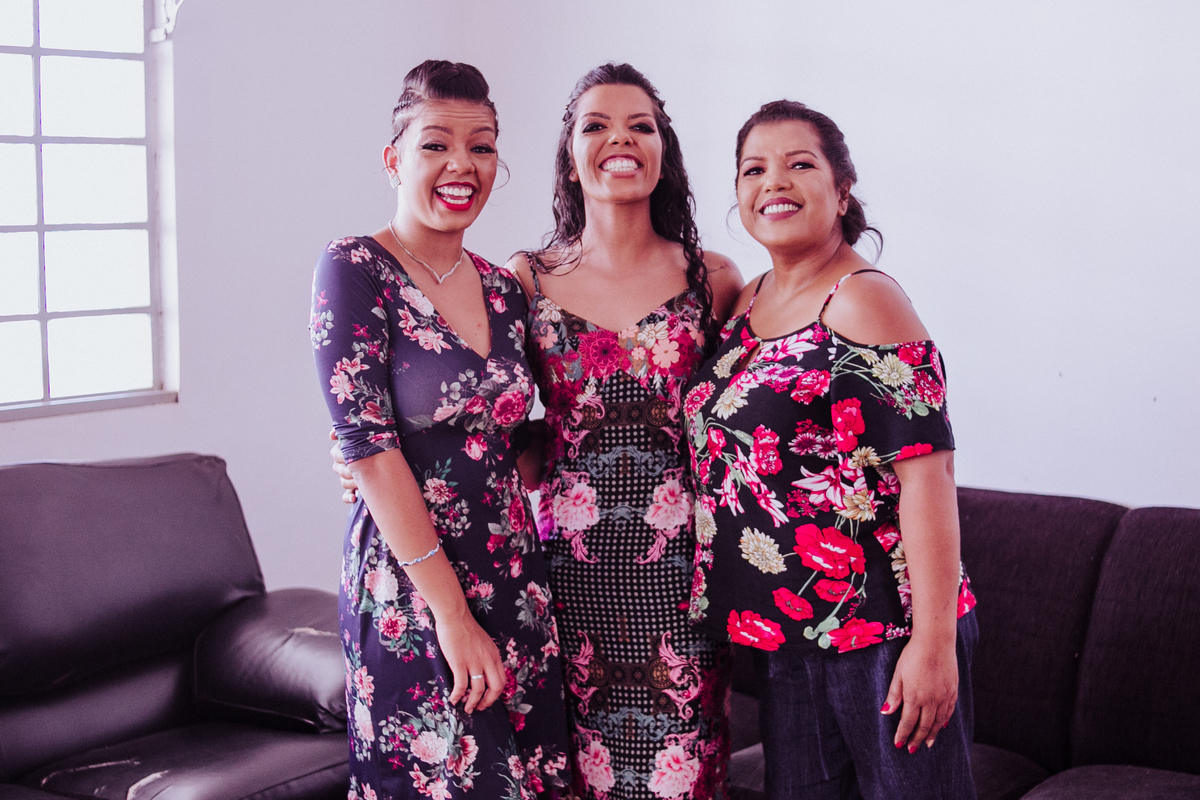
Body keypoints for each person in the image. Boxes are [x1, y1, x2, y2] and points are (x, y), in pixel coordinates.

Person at [682, 100, 978, 800]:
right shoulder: (746, 301)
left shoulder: (863, 300)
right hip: (787, 633)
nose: (773, 182)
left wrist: (932, 644)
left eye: (799, 164)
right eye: (753, 169)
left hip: (882, 632)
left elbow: (929, 476)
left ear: (842, 190)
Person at [309, 60, 569, 800]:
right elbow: (368, 445)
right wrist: (452, 618)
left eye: (481, 147)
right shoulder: (354, 268)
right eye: (436, 145)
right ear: (393, 159)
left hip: (516, 576)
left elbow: (511, 442)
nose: (463, 165)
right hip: (412, 588)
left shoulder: (504, 289)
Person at [508, 64, 743, 800]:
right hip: (571, 571)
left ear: (663, 152)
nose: (621, 139)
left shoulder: (714, 278)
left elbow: (749, 417)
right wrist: (376, 452)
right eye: (597, 125)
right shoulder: (526, 279)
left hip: (684, 571)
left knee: (681, 775)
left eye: (641, 126)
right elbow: (493, 415)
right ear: (569, 156)